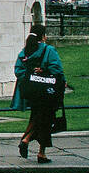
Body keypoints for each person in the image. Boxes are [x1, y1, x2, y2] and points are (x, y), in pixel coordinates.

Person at [12, 24, 63, 164]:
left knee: (36, 116)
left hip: (32, 92)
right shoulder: (48, 50)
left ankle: (28, 141)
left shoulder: (25, 51)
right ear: (43, 36)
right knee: (45, 120)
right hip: (47, 91)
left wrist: (30, 75)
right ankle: (37, 149)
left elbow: (18, 71)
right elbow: (57, 69)